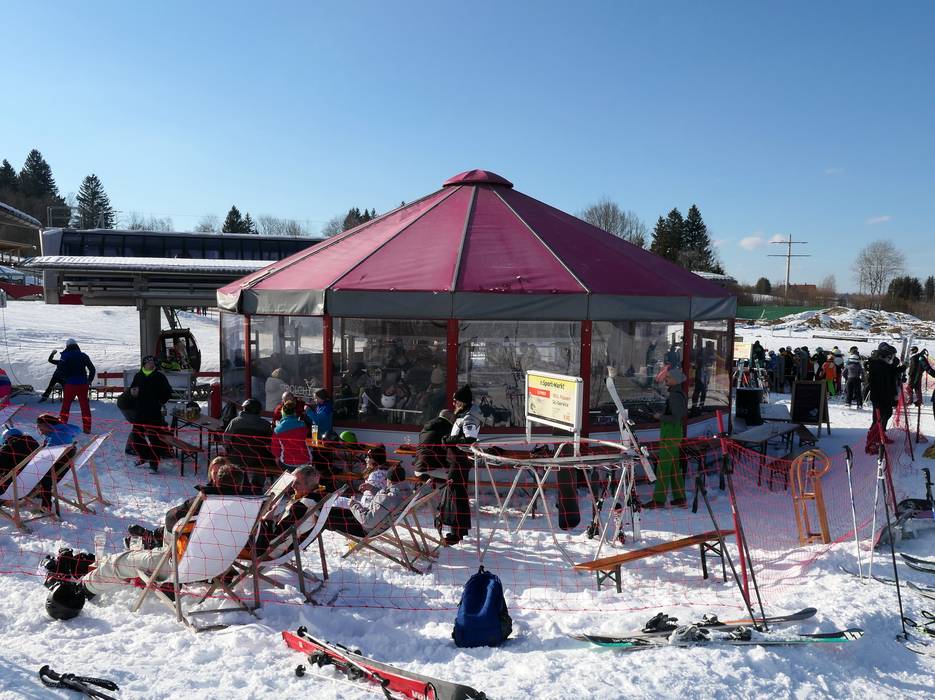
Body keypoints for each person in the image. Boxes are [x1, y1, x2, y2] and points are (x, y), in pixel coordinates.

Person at [43, 462, 247, 620]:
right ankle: (152, 544)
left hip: (182, 566)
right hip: (223, 563)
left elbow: (172, 518)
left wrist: (204, 495)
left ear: (216, 481)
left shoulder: (205, 504)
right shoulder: (249, 507)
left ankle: (83, 590)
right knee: (165, 542)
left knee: (118, 562)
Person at [438, 385, 482, 545]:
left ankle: (456, 533)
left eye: (455, 400)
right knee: (457, 495)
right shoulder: (463, 415)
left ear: (462, 402)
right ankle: (458, 531)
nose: (453, 403)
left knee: (455, 495)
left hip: (460, 461)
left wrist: (448, 440)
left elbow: (469, 439)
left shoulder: (469, 417)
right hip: (456, 460)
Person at [324, 464, 412, 537]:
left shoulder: (389, 498)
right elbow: (386, 502)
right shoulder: (406, 491)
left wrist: (353, 505)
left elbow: (367, 521)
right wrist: (372, 488)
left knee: (326, 520)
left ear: (389, 480)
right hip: (375, 519)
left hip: (366, 528)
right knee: (332, 511)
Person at [645, 367, 687, 509]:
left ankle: (659, 499)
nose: (665, 379)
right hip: (673, 433)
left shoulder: (675, 395)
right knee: (674, 467)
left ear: (675, 380)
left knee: (663, 467)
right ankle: (680, 497)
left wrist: (659, 417)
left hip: (670, 433)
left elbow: (676, 417)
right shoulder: (677, 393)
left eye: (668, 377)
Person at [128, 355, 173, 473]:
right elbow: (132, 389)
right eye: (149, 362)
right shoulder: (138, 376)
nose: (151, 364)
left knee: (154, 438)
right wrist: (133, 393)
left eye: (153, 362)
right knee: (136, 437)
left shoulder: (159, 376)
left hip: (154, 412)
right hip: (140, 411)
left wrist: (160, 402)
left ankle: (154, 464)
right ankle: (144, 456)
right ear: (144, 364)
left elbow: (168, 392)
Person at [223, 398, 276, 488]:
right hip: (258, 458)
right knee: (262, 462)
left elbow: (226, 438)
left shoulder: (235, 422)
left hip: (237, 457)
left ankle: (242, 483)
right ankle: (257, 486)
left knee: (239, 461)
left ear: (245, 409)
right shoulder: (265, 425)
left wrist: (230, 450)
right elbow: (271, 441)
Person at [51, 339, 95, 433]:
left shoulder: (65, 355)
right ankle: (87, 429)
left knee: (66, 407)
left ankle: (62, 427)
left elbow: (60, 369)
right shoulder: (83, 355)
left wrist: (65, 379)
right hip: (83, 384)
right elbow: (92, 369)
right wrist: (89, 380)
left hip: (70, 384)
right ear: (77, 346)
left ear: (67, 346)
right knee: (85, 407)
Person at [867, 343, 902, 440]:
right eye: (891, 356)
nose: (892, 358)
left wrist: (902, 369)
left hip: (886, 395)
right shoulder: (878, 365)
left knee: (887, 414)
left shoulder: (884, 364)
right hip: (879, 397)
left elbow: (892, 372)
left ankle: (881, 434)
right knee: (878, 418)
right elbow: (879, 382)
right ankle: (873, 438)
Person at [413, 409, 455, 480]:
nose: (454, 420)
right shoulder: (446, 427)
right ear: (449, 417)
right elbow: (451, 445)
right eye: (453, 418)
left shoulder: (427, 427)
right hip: (430, 469)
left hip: (418, 467)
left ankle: (433, 487)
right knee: (456, 477)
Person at [272, 400, 310, 469]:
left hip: (287, 463)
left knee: (277, 459)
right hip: (305, 461)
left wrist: (279, 426)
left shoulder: (277, 430)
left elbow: (275, 450)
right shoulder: (303, 425)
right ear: (294, 413)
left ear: (283, 413)